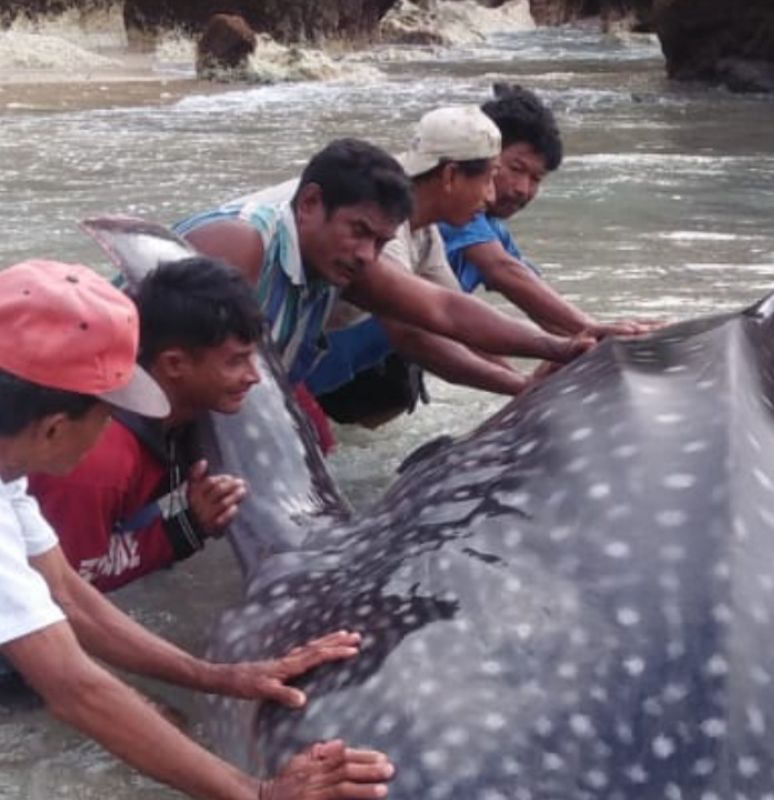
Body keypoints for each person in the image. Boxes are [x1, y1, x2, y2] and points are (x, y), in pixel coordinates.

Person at [0, 259, 393, 798]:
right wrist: (257, 793)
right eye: (106, 413)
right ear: (52, 427)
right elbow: (71, 686)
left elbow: (66, 593)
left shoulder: (10, 461)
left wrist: (219, 676)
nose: (110, 430)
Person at [175, 137, 590, 446]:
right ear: (309, 204)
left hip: (233, 393)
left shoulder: (345, 256)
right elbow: (164, 365)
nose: (365, 255)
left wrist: (559, 349)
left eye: (379, 242)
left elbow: (445, 311)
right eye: (358, 232)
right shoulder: (240, 244)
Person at [28, 257, 262, 592]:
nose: (254, 376)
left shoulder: (191, 408)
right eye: (236, 361)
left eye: (253, 357)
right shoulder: (97, 458)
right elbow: (65, 588)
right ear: (175, 364)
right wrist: (187, 527)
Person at [440, 83, 652, 338]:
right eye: (516, 169)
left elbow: (540, 306)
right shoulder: (451, 208)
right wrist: (590, 329)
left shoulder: (494, 233)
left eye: (536, 178)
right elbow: (504, 271)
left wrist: (615, 334)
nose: (523, 189)